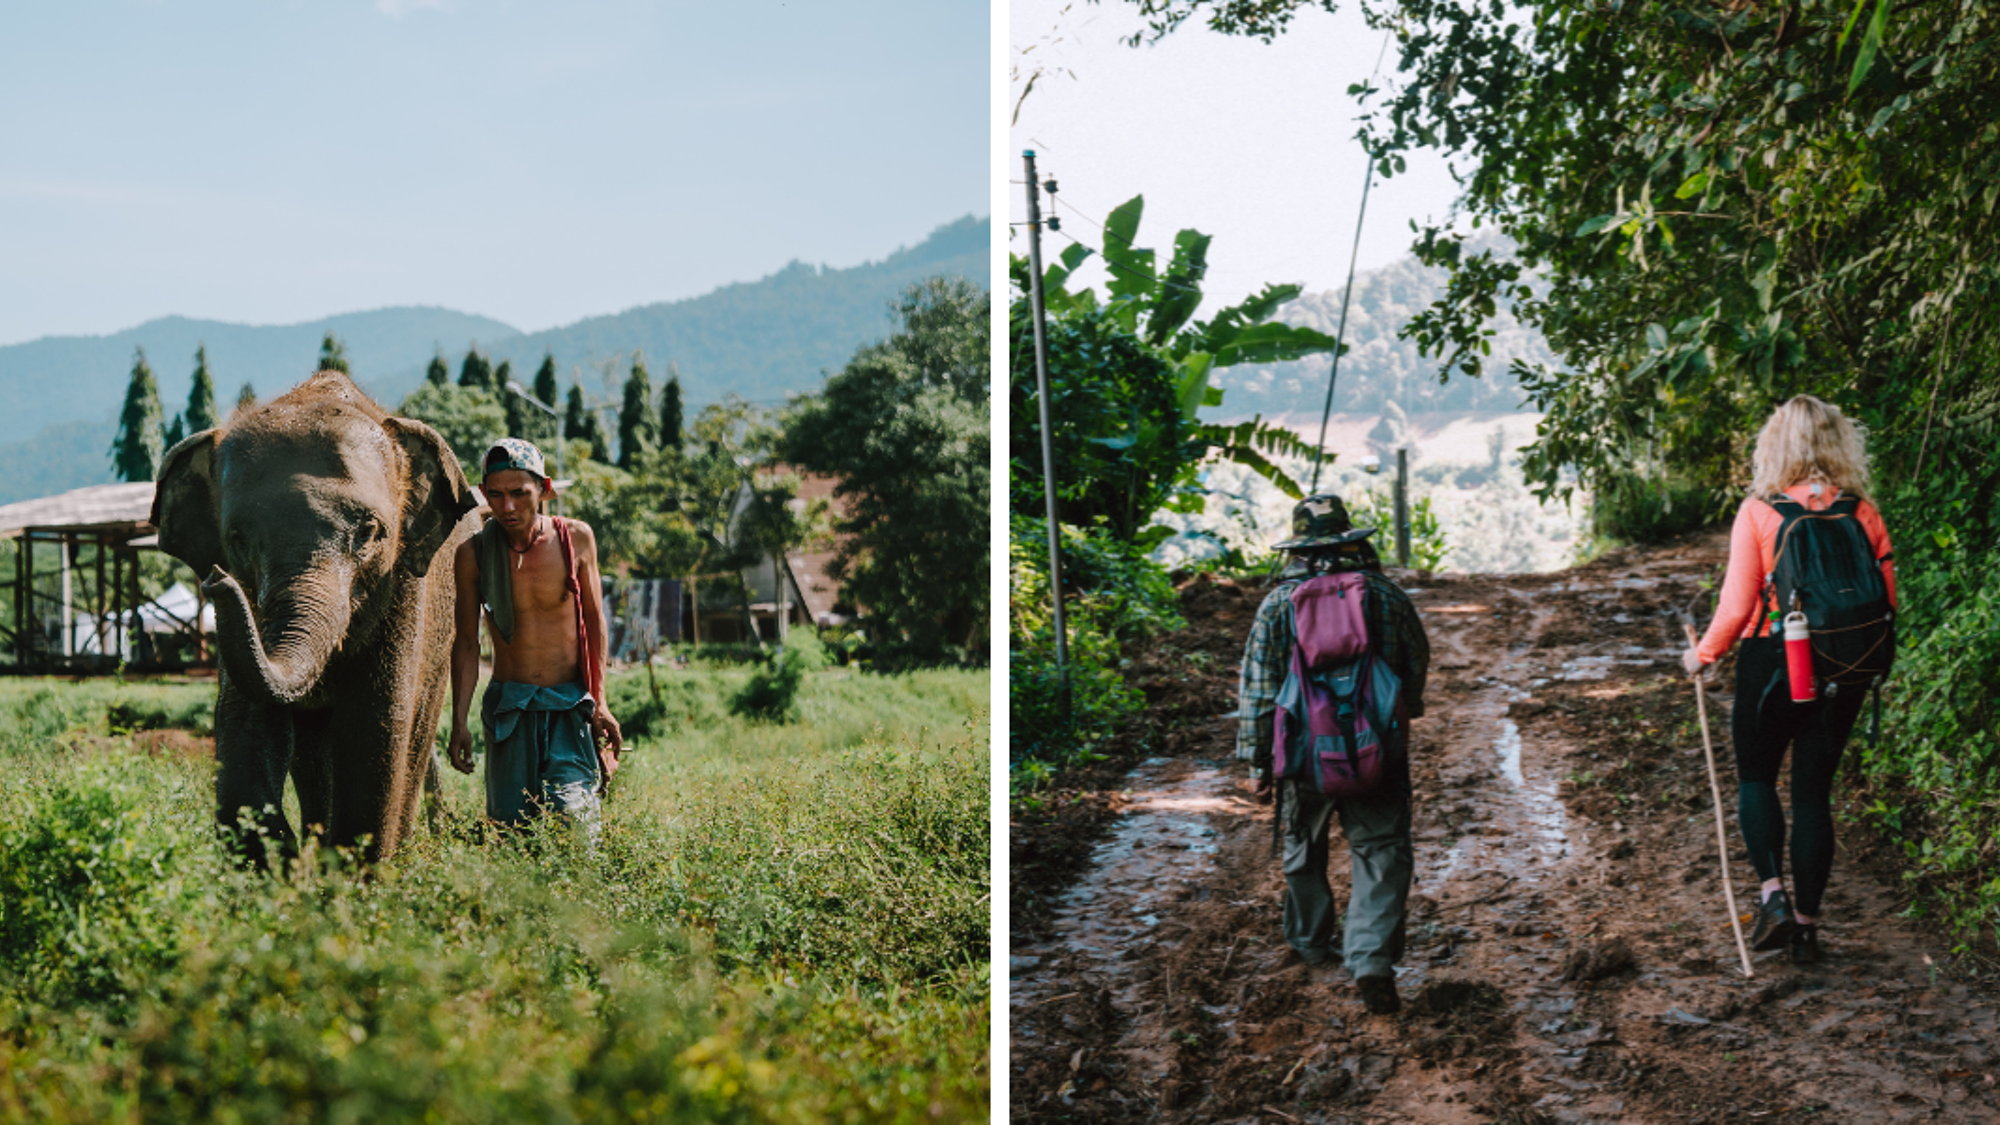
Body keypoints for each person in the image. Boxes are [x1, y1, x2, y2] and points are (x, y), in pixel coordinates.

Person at [1682, 395, 1896, 964]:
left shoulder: (1760, 512)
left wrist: (1702, 657)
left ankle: (1773, 897)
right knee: (1812, 795)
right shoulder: (1863, 512)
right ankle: (1806, 928)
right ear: (1838, 442)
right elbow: (1889, 602)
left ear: (1773, 447)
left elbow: (1735, 608)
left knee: (1756, 777)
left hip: (1774, 661)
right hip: (1847, 666)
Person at [1238, 493, 1430, 1014]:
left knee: (1304, 842)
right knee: (1383, 849)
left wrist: (1259, 763)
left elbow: (1258, 691)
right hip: (1377, 750)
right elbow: (1415, 659)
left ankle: (1309, 942)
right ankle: (1370, 958)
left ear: (1299, 543)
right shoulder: (1386, 596)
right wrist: (1404, 711)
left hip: (1304, 752)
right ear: (1348, 536)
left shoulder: (1278, 604)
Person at [448, 438, 623, 838]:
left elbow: (595, 624)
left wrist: (601, 701)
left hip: (569, 706)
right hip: (510, 709)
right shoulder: (474, 554)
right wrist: (459, 721)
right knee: (511, 830)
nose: (506, 507)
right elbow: (467, 643)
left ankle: (581, 898)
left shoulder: (574, 539)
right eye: (495, 495)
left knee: (576, 823)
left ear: (543, 490)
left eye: (518, 493)